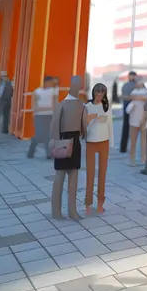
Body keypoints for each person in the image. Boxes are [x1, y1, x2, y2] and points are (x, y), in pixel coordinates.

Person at [50, 76, 86, 220]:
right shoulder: (70, 105)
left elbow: (55, 124)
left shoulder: (70, 104)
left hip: (69, 140)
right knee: (66, 176)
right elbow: (55, 125)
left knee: (68, 176)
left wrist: (55, 140)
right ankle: (63, 211)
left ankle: (66, 211)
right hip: (69, 140)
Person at [85, 83, 113, 214]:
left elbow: (110, 126)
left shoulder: (107, 107)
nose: (99, 94)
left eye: (102, 92)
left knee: (102, 174)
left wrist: (111, 144)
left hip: (104, 142)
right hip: (90, 142)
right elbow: (83, 124)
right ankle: (88, 204)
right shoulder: (88, 106)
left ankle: (100, 203)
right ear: (94, 92)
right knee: (90, 174)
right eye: (97, 92)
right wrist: (92, 118)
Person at [27, 75, 56, 159]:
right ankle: (31, 151)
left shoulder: (53, 91)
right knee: (39, 134)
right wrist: (48, 108)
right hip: (39, 116)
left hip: (49, 116)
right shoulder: (37, 92)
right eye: (51, 82)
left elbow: (54, 106)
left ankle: (48, 154)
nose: (52, 84)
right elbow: (34, 107)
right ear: (46, 82)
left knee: (48, 135)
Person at [127, 77, 147, 166]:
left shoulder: (146, 92)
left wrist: (138, 98)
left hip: (144, 119)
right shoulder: (133, 92)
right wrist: (139, 98)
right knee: (133, 140)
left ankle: (144, 158)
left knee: (144, 140)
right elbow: (131, 98)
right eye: (138, 81)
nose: (139, 83)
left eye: (140, 81)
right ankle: (132, 159)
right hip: (134, 119)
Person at [120, 71, 137, 153]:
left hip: (126, 108)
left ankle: (123, 147)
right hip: (135, 109)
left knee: (126, 127)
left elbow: (123, 96)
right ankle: (131, 148)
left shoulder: (125, 86)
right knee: (135, 128)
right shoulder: (136, 86)